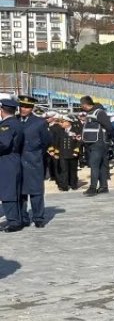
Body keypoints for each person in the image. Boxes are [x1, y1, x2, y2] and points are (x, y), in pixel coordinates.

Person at [15, 97, 50, 228]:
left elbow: (46, 140)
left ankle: (38, 217)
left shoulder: (39, 122)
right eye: (22, 106)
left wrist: (36, 153)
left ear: (32, 108)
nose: (24, 109)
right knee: (20, 192)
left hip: (33, 160)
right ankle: (23, 217)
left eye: (27, 107)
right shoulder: (14, 120)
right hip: (18, 160)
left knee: (36, 191)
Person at [0, 97, 26, 231]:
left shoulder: (7, 125)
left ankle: (14, 222)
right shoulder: (16, 123)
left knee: (7, 191)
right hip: (14, 159)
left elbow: (3, 144)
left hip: (6, 160)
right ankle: (18, 219)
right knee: (14, 190)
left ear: (2, 110)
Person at [79, 95, 112, 196]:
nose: (81, 107)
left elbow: (109, 127)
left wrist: (106, 139)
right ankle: (103, 187)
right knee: (101, 165)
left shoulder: (99, 113)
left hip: (98, 143)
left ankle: (92, 188)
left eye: (81, 105)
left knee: (94, 165)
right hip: (92, 143)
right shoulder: (90, 113)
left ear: (85, 104)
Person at [49, 115, 80, 191]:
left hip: (73, 154)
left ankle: (73, 184)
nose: (61, 123)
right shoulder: (60, 131)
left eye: (63, 122)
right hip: (63, 154)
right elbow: (56, 143)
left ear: (68, 122)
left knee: (73, 170)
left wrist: (76, 151)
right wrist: (55, 153)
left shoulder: (76, 130)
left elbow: (79, 142)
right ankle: (64, 186)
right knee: (64, 170)